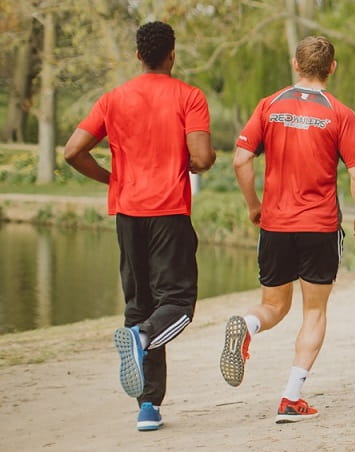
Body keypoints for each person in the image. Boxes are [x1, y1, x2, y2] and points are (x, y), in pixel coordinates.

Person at [63, 21, 216, 430]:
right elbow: (201, 159)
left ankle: (148, 407)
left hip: (129, 214)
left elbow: (73, 151)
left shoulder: (113, 99)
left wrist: (110, 178)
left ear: (137, 55)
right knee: (179, 304)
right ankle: (143, 337)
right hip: (168, 212)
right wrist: (193, 156)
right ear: (172, 54)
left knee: (140, 306)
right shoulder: (189, 96)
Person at [219, 36, 355, 423]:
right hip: (319, 227)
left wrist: (254, 206)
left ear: (295, 63)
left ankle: (249, 326)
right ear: (332, 68)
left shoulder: (269, 105)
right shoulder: (340, 113)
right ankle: (291, 397)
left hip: (275, 223)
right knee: (314, 311)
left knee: (274, 305)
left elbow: (240, 161)